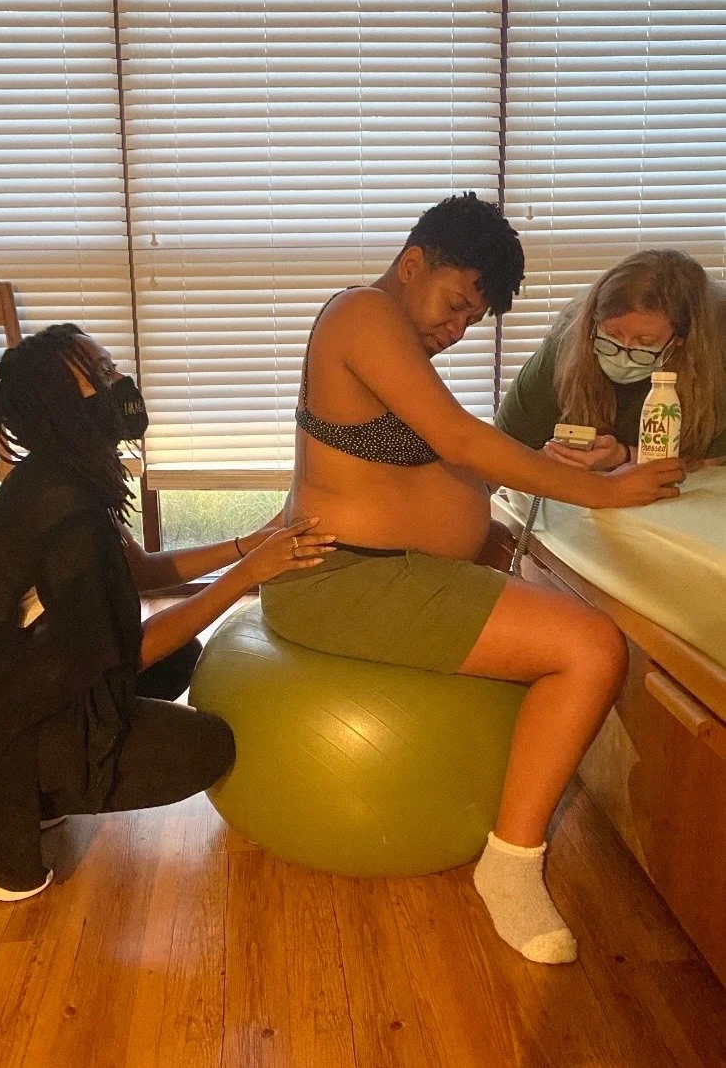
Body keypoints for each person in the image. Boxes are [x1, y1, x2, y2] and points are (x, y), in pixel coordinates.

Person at [260, 193, 685, 965]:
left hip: (383, 570)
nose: (456, 330)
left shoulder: (395, 348)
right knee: (592, 648)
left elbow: (419, 463)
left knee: (575, 616)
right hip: (347, 580)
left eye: (470, 321)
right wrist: (605, 489)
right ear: (413, 262)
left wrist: (516, 492)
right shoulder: (361, 312)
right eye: (456, 303)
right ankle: (512, 864)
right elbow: (458, 437)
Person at [0, 324, 333, 901]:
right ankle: (17, 804)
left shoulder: (72, 473)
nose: (120, 383)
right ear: (61, 405)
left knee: (185, 655)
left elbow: (144, 571)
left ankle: (45, 782)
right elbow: (120, 655)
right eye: (101, 376)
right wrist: (248, 576)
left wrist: (247, 544)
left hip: (9, 687)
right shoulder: (60, 502)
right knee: (205, 748)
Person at [495, 249, 726, 469]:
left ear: (681, 340)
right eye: (611, 336)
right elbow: (502, 450)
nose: (623, 353)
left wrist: (624, 457)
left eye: (644, 343)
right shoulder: (567, 345)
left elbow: (709, 467)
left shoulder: (717, 357)